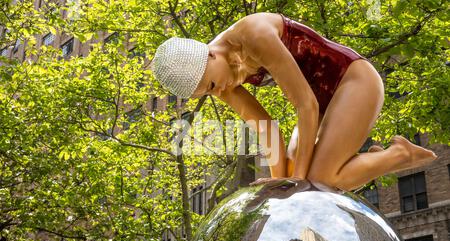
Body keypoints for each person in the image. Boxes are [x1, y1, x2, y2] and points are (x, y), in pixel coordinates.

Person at [150, 12, 437, 191]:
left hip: (353, 81)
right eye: (208, 93)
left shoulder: (254, 34)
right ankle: (370, 158)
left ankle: (399, 154)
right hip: (321, 103)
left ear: (210, 55)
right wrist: (282, 181)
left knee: (319, 180)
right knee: (293, 175)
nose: (219, 90)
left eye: (212, 85)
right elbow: (265, 127)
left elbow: (306, 105)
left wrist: (298, 181)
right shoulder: (220, 79)